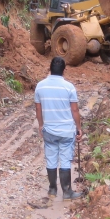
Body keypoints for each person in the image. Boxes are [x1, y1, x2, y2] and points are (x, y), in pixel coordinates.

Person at [34, 56, 82, 200]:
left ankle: (52, 189)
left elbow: (38, 109)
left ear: (50, 68)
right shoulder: (69, 87)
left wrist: (41, 125)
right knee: (65, 160)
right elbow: (75, 110)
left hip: (49, 130)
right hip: (67, 131)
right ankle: (67, 192)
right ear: (64, 70)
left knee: (51, 159)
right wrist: (78, 128)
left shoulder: (40, 86)